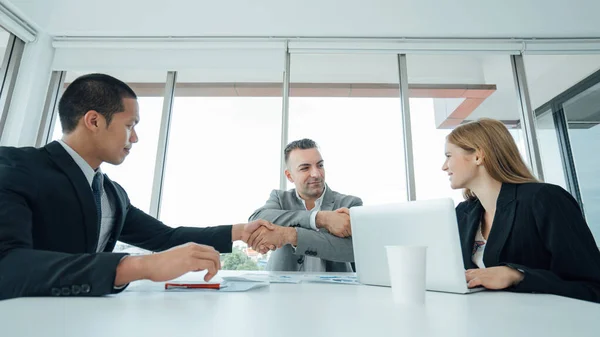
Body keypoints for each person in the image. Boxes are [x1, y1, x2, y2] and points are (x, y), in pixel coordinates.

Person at [0, 73, 274, 300]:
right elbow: (7, 265)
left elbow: (165, 238)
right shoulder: (15, 166)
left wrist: (239, 232)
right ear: (93, 121)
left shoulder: (112, 194)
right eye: (130, 125)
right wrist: (139, 266)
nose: (135, 137)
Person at [442, 118, 600, 303]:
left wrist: (518, 276)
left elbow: (592, 286)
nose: (444, 166)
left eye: (448, 156)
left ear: (478, 156)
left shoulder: (544, 199)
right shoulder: (463, 213)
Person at [248, 139, 362, 272]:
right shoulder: (280, 199)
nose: (316, 174)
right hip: (282, 289)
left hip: (335, 290)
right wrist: (319, 218)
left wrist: (289, 235)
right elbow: (256, 220)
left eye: (320, 165)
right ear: (290, 176)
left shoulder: (349, 204)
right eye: (305, 168)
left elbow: (354, 251)